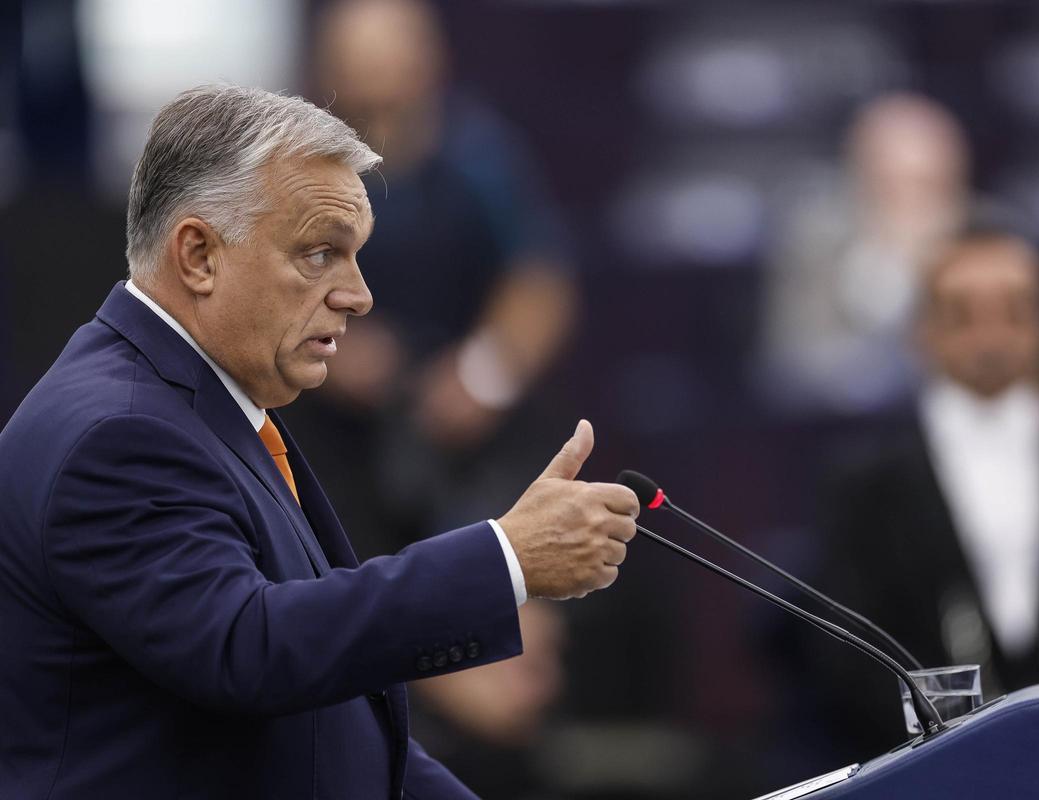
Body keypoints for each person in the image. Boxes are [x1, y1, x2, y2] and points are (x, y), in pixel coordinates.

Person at [0, 85, 639, 799]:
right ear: (199, 255)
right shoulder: (118, 432)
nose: (358, 295)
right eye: (319, 255)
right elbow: (254, 651)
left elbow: (329, 723)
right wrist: (506, 561)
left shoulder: (203, 409)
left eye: (355, 256)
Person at [801, 225, 1039, 758]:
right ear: (922, 331)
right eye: (963, 314)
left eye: (1014, 312)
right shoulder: (864, 488)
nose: (991, 337)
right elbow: (845, 660)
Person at [292, 0, 579, 557]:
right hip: (338, 436)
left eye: (394, 98)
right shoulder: (294, 169)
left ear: (428, 69)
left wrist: (483, 374)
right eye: (362, 104)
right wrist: (323, 344)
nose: (382, 128)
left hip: (469, 437)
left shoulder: (480, 158)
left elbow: (540, 282)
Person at [758, 93, 973, 414]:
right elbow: (796, 355)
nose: (909, 202)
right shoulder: (815, 238)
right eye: (890, 184)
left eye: (924, 184)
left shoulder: (993, 239)